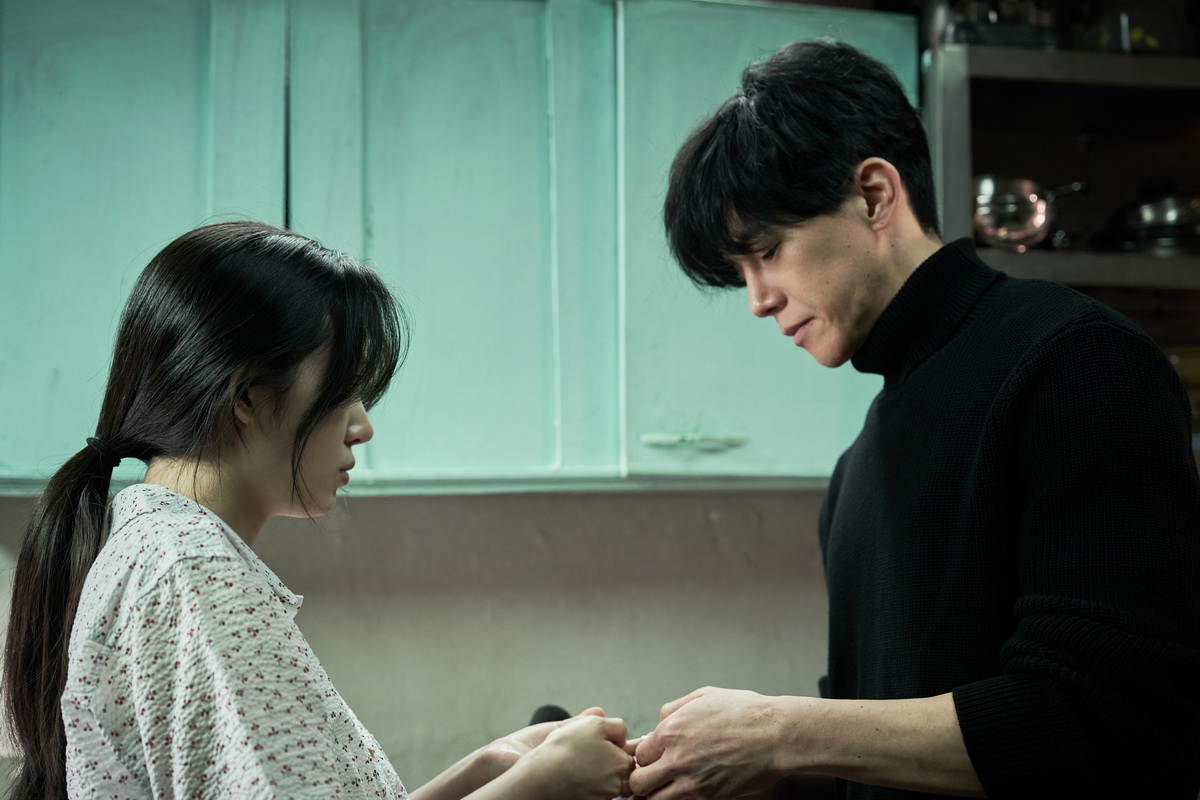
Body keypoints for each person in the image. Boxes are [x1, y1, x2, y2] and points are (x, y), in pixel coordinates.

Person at [626, 40, 1200, 800]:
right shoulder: (855, 472)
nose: (759, 300)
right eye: (742, 275)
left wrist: (778, 732)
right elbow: (865, 772)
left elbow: (1107, 720)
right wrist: (690, 770)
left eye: (767, 251)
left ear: (873, 195)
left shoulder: (1077, 364)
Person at [3, 221, 635, 800]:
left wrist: (490, 767)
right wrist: (540, 786)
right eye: (344, 389)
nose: (362, 426)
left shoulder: (159, 545)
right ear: (248, 396)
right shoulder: (192, 571)